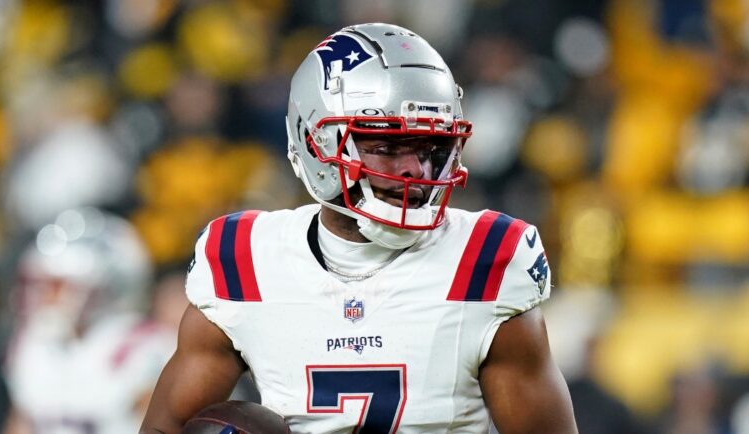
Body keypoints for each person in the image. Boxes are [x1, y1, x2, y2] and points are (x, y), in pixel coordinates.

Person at [141, 23, 577, 433]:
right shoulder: (245, 259)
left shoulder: (485, 262)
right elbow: (164, 427)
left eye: (430, 147)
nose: (414, 168)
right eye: (387, 146)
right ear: (316, 143)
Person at [4, 208, 176, 434]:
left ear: (106, 288)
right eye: (40, 285)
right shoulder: (34, 345)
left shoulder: (145, 347)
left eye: (58, 285)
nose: (46, 297)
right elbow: (21, 425)